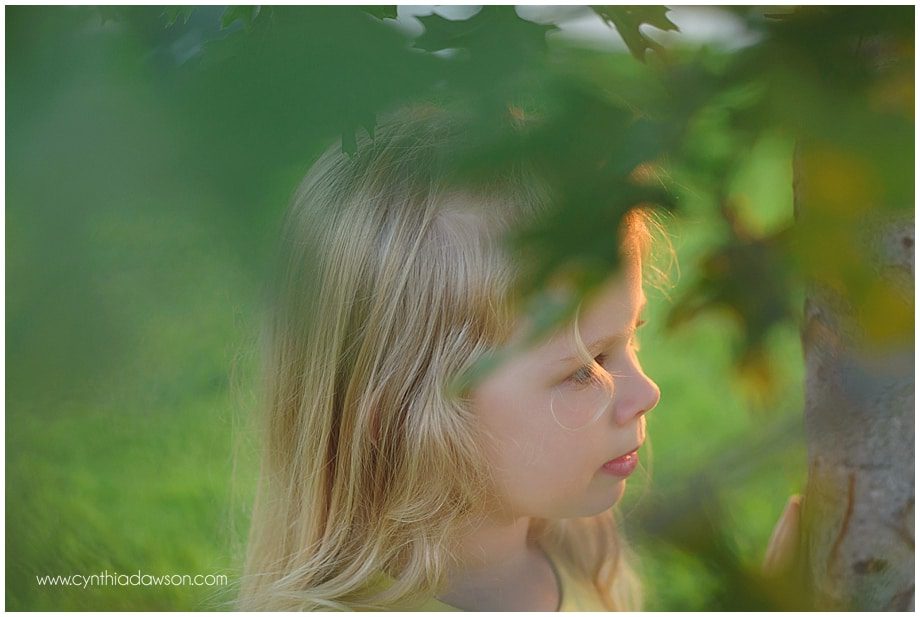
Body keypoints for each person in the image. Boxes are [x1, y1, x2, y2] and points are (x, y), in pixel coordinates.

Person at [236, 102, 800, 611]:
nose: (645, 392)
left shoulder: (579, 556)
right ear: (406, 414)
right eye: (585, 367)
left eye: (628, 339)